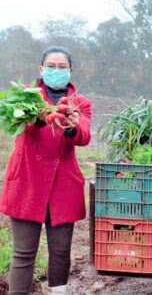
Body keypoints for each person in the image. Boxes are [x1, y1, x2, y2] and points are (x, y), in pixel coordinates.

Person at [0, 46, 92, 295]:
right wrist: (42, 117)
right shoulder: (25, 98)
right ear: (41, 69)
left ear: (70, 71)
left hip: (63, 185)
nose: (56, 71)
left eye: (62, 67)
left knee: (61, 251)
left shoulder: (80, 103)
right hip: (27, 182)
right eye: (51, 66)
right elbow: (21, 127)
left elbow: (84, 136)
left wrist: (71, 127)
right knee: (23, 252)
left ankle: (58, 292)